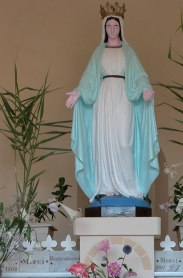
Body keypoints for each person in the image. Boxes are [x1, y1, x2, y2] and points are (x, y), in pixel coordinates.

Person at [66, 11, 160, 202]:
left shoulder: (128, 51)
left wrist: (145, 88)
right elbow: (89, 77)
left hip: (124, 95)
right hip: (103, 98)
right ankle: (106, 185)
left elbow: (140, 75)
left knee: (125, 141)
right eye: (108, 26)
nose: (112, 29)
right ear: (104, 28)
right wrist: (78, 92)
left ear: (121, 28)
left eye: (115, 26)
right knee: (104, 140)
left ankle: (130, 186)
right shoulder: (98, 52)